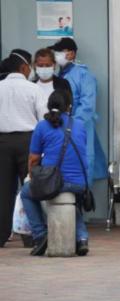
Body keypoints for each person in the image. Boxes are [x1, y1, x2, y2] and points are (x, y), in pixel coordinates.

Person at [20, 90, 89, 256]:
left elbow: (34, 159)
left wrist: (32, 176)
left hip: (55, 182)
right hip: (81, 183)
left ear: (49, 106)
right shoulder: (79, 124)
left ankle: (40, 235)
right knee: (68, 197)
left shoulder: (42, 126)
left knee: (26, 193)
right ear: (69, 107)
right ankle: (81, 239)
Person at [0, 50, 48, 248]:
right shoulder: (33, 89)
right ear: (23, 67)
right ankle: (32, 236)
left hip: (2, 143)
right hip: (29, 142)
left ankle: (1, 235)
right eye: (30, 66)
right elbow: (44, 118)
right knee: (30, 189)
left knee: (3, 191)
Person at [49, 37, 108, 184]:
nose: (56, 54)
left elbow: (88, 105)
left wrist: (71, 123)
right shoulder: (57, 76)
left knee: (81, 165)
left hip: (78, 127)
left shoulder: (83, 75)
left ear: (72, 54)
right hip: (58, 128)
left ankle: (80, 202)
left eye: (59, 51)